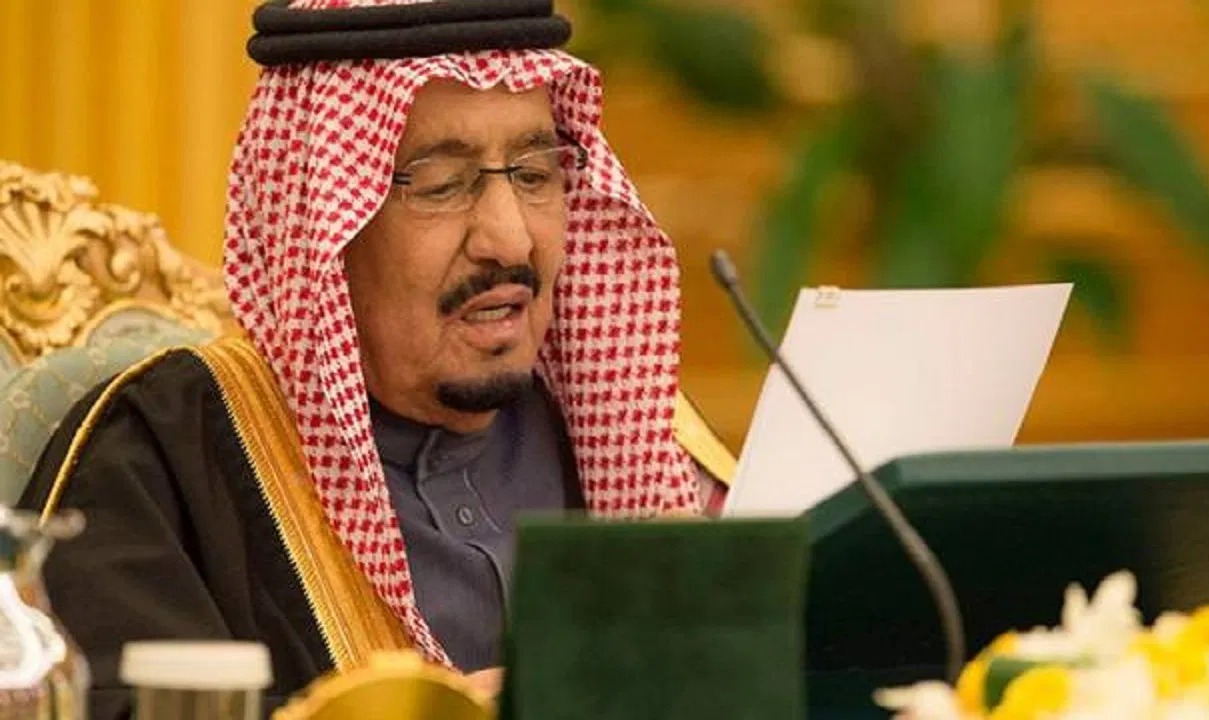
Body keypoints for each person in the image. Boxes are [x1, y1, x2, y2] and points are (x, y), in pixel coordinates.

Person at [18, 1, 737, 717]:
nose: (510, 240)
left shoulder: (633, 434)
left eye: (534, 173)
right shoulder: (167, 453)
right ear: (321, 222)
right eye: (443, 184)